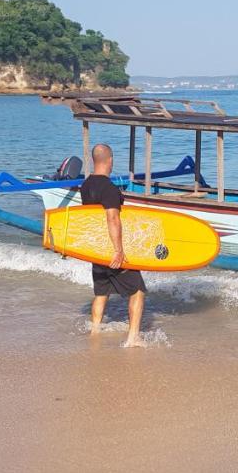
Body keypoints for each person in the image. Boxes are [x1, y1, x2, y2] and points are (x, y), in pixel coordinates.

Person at [81, 143, 146, 347]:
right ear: (110, 161)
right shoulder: (109, 188)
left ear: (94, 160)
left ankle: (95, 332)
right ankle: (133, 337)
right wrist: (118, 250)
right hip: (111, 249)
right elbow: (112, 219)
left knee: (102, 293)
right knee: (138, 290)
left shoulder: (86, 185)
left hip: (96, 250)